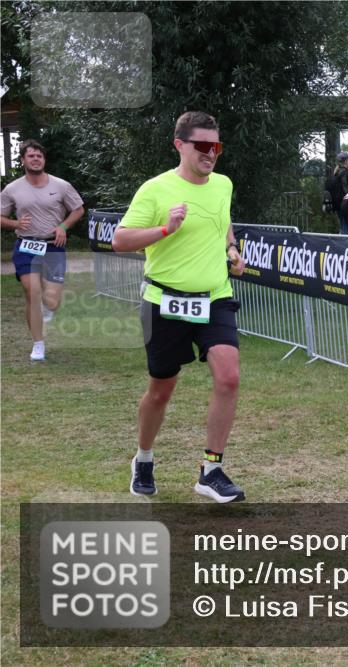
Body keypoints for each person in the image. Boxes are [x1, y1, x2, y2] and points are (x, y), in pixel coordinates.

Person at [112, 111, 247, 503]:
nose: (211, 154)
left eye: (216, 147)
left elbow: (222, 221)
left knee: (229, 377)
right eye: (202, 146)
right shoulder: (155, 190)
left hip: (214, 297)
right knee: (161, 390)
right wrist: (165, 229)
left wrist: (232, 248)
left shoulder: (222, 184)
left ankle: (211, 470)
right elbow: (120, 240)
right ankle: (144, 458)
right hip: (165, 301)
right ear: (179, 145)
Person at [1, 140, 85, 361]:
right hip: (26, 245)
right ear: (23, 161)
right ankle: (38, 344)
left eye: (39, 156)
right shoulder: (12, 189)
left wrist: (63, 226)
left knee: (52, 301)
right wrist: (15, 224)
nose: (36, 159)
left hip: (53, 247)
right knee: (32, 292)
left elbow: (78, 209)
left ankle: (47, 310)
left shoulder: (61, 186)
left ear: (44, 160)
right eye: (31, 156)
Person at [325, 151, 348, 235]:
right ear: (345, 161)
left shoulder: (335, 174)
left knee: (342, 225)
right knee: (346, 227)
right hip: (347, 204)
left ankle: (341, 240)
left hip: (337, 204)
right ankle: (343, 245)